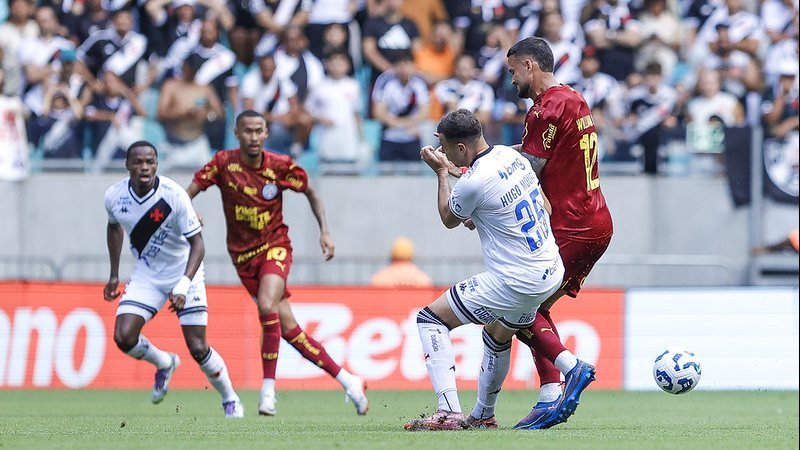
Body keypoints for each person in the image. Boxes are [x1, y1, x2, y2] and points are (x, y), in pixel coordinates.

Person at [404, 109, 589, 431]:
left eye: (447, 148)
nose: (444, 153)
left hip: (515, 279)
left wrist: (441, 174)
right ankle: (484, 414)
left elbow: (450, 218)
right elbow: (543, 206)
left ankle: (448, 411)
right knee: (497, 335)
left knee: (430, 319)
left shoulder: (472, 182)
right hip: (549, 267)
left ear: (461, 149)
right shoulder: (509, 156)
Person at [186, 110, 368, 417]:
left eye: (259, 131)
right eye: (248, 131)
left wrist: (324, 230)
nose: (254, 137)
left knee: (267, 304)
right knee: (289, 330)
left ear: (266, 133)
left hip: (275, 246)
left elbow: (312, 192)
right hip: (242, 257)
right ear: (237, 133)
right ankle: (349, 381)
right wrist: (189, 213)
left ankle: (268, 391)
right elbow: (185, 193)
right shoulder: (222, 163)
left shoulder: (280, 166)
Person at [505, 37, 613, 429]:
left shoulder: (544, 110)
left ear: (530, 66)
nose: (511, 79)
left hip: (573, 225)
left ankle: (569, 372)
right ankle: (549, 396)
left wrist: (473, 174)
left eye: (513, 70)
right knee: (535, 309)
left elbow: (529, 168)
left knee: (517, 307)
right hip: (595, 219)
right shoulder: (572, 98)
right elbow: (542, 153)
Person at [103, 141, 244, 418]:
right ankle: (165, 362)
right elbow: (114, 228)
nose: (144, 167)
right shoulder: (113, 196)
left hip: (184, 270)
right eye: (139, 162)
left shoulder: (174, 195)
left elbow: (198, 245)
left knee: (198, 348)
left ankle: (230, 398)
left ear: (157, 164)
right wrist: (114, 274)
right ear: (128, 165)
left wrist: (183, 285)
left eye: (150, 162)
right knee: (123, 336)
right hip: (147, 273)